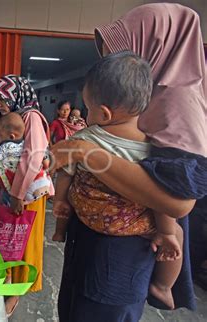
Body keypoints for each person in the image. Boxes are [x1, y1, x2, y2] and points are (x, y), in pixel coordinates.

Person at [51, 3, 204, 321]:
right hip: (93, 240)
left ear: (153, 46)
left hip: (120, 253)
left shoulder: (179, 104)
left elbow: (177, 203)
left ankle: (164, 285)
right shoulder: (150, 95)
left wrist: (84, 152)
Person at [52, 52, 183, 310]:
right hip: (132, 232)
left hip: (91, 223)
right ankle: (163, 286)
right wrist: (166, 231)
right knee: (174, 228)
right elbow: (159, 198)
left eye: (88, 108)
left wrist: (59, 201)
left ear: (103, 113)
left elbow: (65, 174)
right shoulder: (152, 146)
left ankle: (59, 231)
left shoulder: (85, 139)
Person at [0, 75, 52, 314]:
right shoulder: (7, 118)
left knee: (23, 243)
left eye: (1, 98)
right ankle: (7, 281)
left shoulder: (31, 117)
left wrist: (17, 194)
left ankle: (16, 294)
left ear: (15, 95)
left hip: (28, 194)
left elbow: (34, 156)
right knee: (7, 238)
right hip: (11, 190)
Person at [0, 112, 53, 205]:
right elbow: (46, 163)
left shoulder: (1, 150)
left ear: (11, 136)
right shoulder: (29, 145)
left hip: (12, 194)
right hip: (38, 188)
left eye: (1, 137)